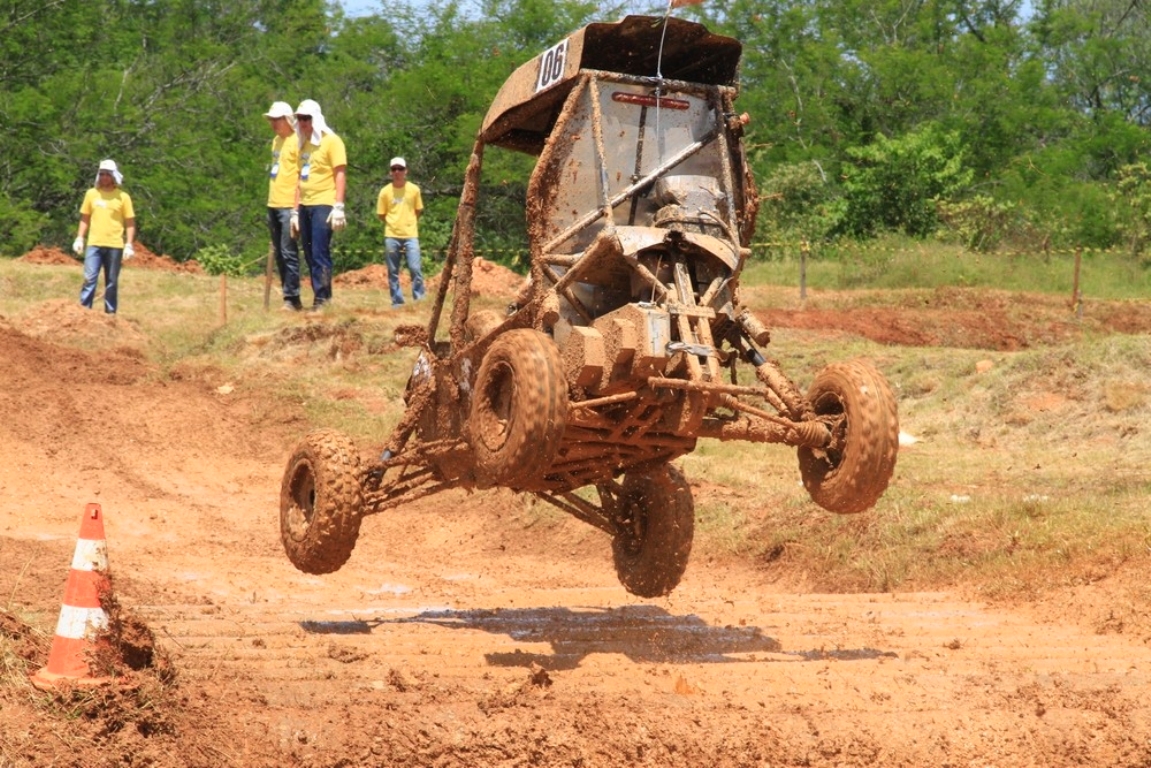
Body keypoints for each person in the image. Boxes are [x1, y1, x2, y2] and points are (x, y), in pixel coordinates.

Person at [290, 99, 346, 312]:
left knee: (321, 251)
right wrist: (295, 210)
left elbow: (339, 173)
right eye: (299, 118)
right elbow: (299, 179)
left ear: (315, 118)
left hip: (324, 203)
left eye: (306, 118)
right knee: (310, 253)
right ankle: (317, 297)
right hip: (305, 204)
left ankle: (323, 300)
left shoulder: (332, 141)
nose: (302, 122)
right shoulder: (302, 144)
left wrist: (338, 205)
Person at [73, 159, 136, 315]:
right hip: (94, 243)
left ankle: (110, 313)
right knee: (89, 278)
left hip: (114, 245)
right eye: (101, 174)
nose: (104, 177)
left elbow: (130, 222)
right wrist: (80, 237)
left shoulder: (123, 197)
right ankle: (84, 312)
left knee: (112, 281)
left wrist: (129, 244)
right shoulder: (91, 194)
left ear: (113, 176)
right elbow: (85, 217)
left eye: (107, 174)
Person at [264, 101, 303, 311]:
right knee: (279, 252)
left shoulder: (298, 141)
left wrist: (296, 208)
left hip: (288, 204)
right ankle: (288, 293)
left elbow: (300, 176)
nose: (273, 123)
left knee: (289, 251)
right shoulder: (276, 142)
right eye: (271, 119)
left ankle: (292, 297)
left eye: (277, 119)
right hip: (273, 202)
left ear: (288, 119)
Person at [376, 157, 424, 308]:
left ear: (406, 171)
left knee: (415, 269)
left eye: (400, 169)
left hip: (411, 235)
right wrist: (393, 224)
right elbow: (381, 214)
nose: (397, 172)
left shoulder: (414, 190)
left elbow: (418, 210)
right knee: (393, 271)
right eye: (394, 169)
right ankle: (397, 302)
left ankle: (420, 299)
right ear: (390, 172)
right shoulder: (385, 192)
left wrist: (408, 223)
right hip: (391, 236)